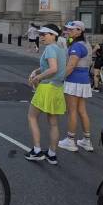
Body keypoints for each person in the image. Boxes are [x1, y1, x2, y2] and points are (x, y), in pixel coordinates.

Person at [25, 24, 67, 165]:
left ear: (54, 35)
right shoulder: (61, 49)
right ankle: (52, 154)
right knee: (53, 123)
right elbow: (53, 66)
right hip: (58, 88)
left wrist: (38, 78)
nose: (41, 37)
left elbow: (53, 68)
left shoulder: (50, 48)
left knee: (32, 117)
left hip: (47, 87)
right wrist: (37, 71)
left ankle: (37, 150)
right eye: (41, 34)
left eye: (45, 34)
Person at [58, 21, 93, 153]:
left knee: (72, 111)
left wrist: (60, 78)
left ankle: (70, 140)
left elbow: (71, 66)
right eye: (68, 29)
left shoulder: (76, 46)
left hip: (74, 80)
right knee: (82, 111)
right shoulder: (86, 44)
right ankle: (87, 140)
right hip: (84, 79)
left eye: (72, 30)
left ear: (80, 31)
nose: (69, 31)